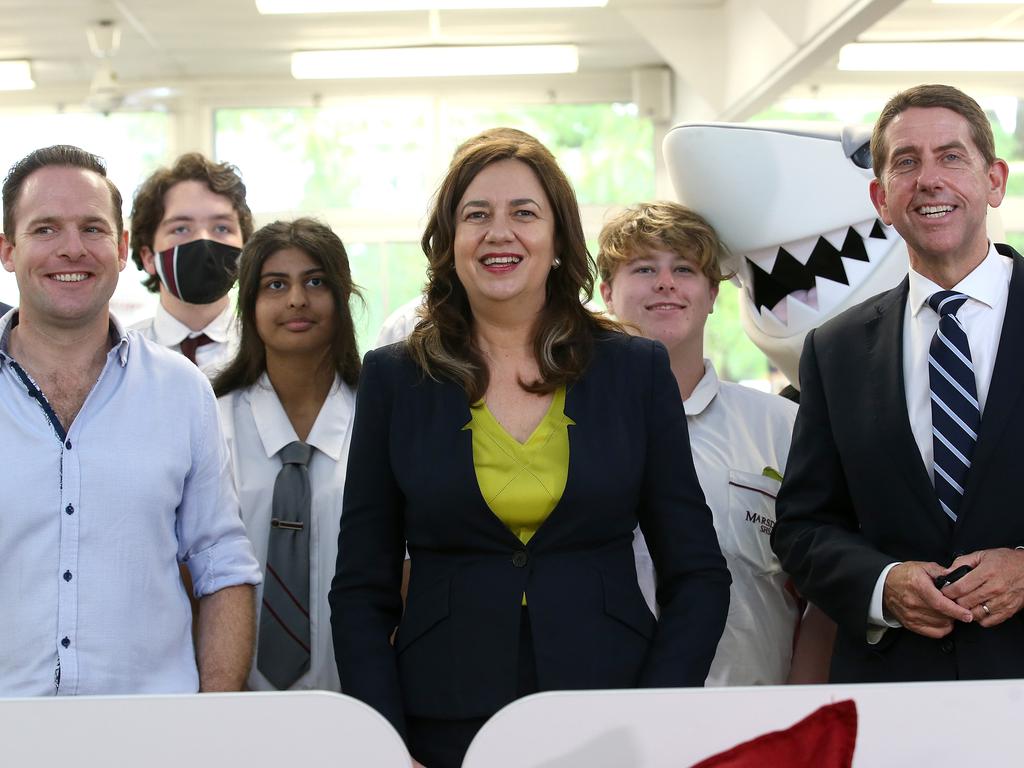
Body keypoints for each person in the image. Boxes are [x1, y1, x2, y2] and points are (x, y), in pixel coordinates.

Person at [330, 129, 730, 768]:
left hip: (613, 711)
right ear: (450, 241)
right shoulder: (394, 380)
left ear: (558, 238)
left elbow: (698, 574)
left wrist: (658, 712)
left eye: (524, 213)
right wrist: (386, 742)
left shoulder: (634, 371)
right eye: (476, 215)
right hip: (440, 720)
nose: (499, 232)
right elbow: (360, 588)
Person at [772, 84, 1024, 682]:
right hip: (898, 694)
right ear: (881, 199)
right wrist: (882, 587)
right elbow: (804, 527)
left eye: (952, 157)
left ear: (994, 181)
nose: (930, 179)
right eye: (906, 163)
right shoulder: (833, 350)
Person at [0, 144, 260, 695]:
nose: (73, 249)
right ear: (6, 249)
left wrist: (211, 718)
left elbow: (223, 566)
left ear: (121, 249)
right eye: (45, 229)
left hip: (151, 737)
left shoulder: (182, 391)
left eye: (93, 229)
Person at [597, 201, 833, 685]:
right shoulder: (570, 427)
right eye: (644, 268)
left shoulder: (784, 428)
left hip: (750, 722)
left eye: (683, 269)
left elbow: (826, 593)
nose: (665, 283)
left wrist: (797, 708)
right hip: (604, 716)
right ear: (606, 293)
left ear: (712, 294)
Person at [214, 218, 361, 692]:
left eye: (315, 282)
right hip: (230, 698)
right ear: (250, 305)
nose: (297, 299)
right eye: (275, 285)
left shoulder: (380, 417)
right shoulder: (211, 421)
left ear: (342, 299)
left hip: (358, 698)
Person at [129, 153, 254, 378]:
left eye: (222, 228)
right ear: (148, 257)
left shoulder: (270, 350)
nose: (203, 241)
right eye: (181, 229)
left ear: (245, 249)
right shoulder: (118, 357)